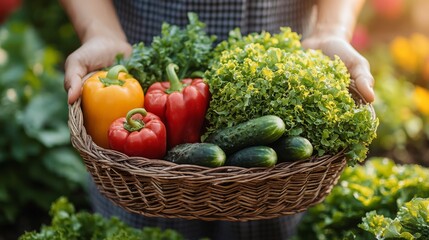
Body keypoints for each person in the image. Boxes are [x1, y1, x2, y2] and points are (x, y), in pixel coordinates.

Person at [60, 0, 375, 239]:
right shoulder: (150, 97)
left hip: (279, 186)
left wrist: (330, 31)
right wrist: (98, 31)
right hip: (141, 175)